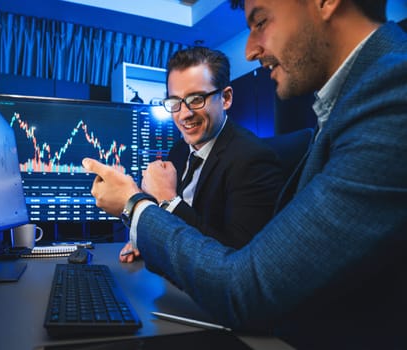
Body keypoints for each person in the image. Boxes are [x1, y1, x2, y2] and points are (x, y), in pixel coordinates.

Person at [83, 0, 407, 348]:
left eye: (261, 21)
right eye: (175, 102)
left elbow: (245, 284)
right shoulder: (349, 105)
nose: (250, 51)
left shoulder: (392, 94)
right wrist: (149, 235)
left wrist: (138, 207)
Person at [119, 47, 284, 262]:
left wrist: (168, 199)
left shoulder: (253, 160)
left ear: (225, 98)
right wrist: (150, 238)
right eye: (175, 102)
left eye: (196, 99)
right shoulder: (179, 151)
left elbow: (236, 259)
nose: (184, 114)